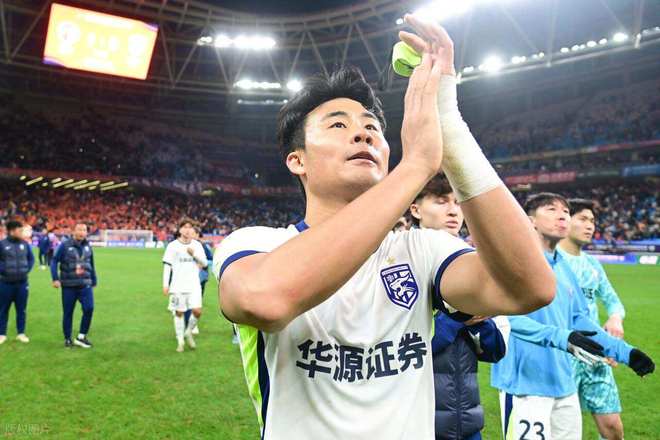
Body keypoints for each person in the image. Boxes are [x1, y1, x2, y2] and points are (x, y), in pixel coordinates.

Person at [213, 14, 556, 439]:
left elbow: (530, 288)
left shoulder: (423, 250)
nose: (363, 135)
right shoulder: (256, 244)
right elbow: (262, 299)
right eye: (338, 124)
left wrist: (449, 127)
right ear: (297, 161)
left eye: (372, 127)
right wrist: (414, 167)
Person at [491, 193, 654, 440]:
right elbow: (501, 316)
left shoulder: (564, 268)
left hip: (564, 386)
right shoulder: (514, 262)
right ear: (530, 221)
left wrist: (625, 352)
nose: (562, 216)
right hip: (524, 385)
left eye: (566, 212)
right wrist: (561, 337)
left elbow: (579, 319)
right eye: (551, 209)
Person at [409, 176, 509, 440]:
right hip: (416, 424)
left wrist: (480, 320)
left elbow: (496, 350)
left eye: (458, 202)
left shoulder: (478, 264)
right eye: (441, 201)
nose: (454, 211)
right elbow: (401, 350)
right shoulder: (398, 264)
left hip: (466, 422)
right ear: (415, 209)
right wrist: (457, 317)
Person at [558, 199, 628, 440]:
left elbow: (613, 301)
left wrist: (615, 318)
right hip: (564, 354)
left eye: (592, 221)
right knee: (564, 428)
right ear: (566, 221)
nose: (590, 226)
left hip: (597, 354)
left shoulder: (592, 264)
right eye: (583, 219)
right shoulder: (551, 260)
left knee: (612, 427)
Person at [162, 219, 208, 352]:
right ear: (180, 229)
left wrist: (194, 254)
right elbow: (167, 266)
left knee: (197, 311)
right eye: (184, 227)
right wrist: (165, 284)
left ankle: (188, 332)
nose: (187, 230)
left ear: (193, 230)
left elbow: (205, 263)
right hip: (178, 285)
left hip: (194, 284)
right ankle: (180, 341)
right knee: (179, 312)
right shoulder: (173, 246)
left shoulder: (197, 245)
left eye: (190, 227)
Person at [50, 223, 97, 348]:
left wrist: (94, 279)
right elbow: (54, 261)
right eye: (79, 229)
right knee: (68, 312)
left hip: (85, 284)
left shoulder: (88, 246)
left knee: (89, 308)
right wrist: (55, 278)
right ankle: (67, 339)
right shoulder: (65, 245)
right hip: (69, 285)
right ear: (73, 231)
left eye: (84, 230)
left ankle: (81, 337)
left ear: (86, 232)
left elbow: (91, 263)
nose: (82, 232)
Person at [0, 220, 35, 344]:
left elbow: (31, 259)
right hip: (5, 283)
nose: (22, 233)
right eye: (20, 230)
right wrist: (4, 270)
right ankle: (2, 334)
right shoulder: (2, 244)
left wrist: (25, 270)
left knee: (21, 309)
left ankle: (21, 333)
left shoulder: (25, 244)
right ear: (12, 231)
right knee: (3, 309)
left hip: (22, 283)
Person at [183, 227, 213, 335]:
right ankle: (190, 325)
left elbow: (210, 259)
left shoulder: (203, 246)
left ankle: (193, 325)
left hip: (201, 276)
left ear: (197, 235)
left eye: (192, 233)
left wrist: (201, 263)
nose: (190, 235)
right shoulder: (184, 245)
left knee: (196, 301)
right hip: (187, 276)